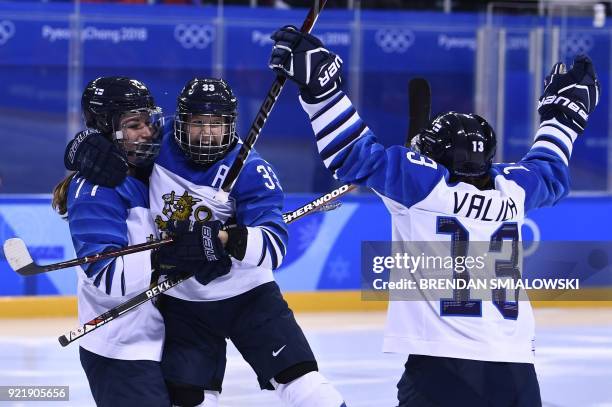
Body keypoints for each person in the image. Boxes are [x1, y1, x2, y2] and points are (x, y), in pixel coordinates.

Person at [268, 26, 599, 406]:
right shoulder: (513, 188)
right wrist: (563, 118)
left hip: (443, 369)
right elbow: (551, 170)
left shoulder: (422, 185)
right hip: (516, 368)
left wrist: (321, 88)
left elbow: (353, 153)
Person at [64, 77, 347, 407]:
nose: (208, 133)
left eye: (217, 124)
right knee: (192, 399)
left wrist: (224, 238)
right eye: (198, 122)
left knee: (300, 382)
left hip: (248, 296)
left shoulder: (252, 170)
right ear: (181, 121)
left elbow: (274, 247)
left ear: (231, 124)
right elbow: (115, 135)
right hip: (184, 304)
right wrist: (82, 145)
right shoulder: (159, 141)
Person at [52, 77, 170, 406]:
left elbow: (194, 129)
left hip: (169, 342)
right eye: (134, 125)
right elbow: (109, 277)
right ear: (105, 128)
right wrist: (174, 256)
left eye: (149, 121)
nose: (147, 132)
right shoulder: (94, 191)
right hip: (123, 351)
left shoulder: (153, 169)